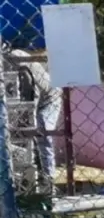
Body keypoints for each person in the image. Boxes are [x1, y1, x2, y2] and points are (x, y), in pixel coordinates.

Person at [5, 48, 62, 193]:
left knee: (42, 132)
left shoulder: (16, 61)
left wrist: (25, 122)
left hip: (49, 98)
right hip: (27, 96)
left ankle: (48, 179)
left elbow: (31, 95)